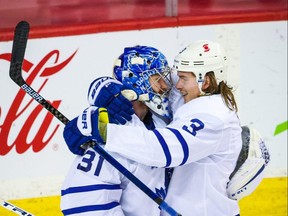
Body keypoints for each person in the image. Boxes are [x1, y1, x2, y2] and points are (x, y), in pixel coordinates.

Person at [80, 40, 244, 215]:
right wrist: (101, 86)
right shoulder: (198, 95)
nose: (175, 85)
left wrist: (105, 131)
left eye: (183, 78)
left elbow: (160, 151)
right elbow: (138, 78)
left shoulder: (212, 117)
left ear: (206, 81)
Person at [60, 45, 176, 216]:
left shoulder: (162, 122)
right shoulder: (108, 134)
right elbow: (82, 203)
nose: (164, 85)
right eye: (156, 78)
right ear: (137, 82)